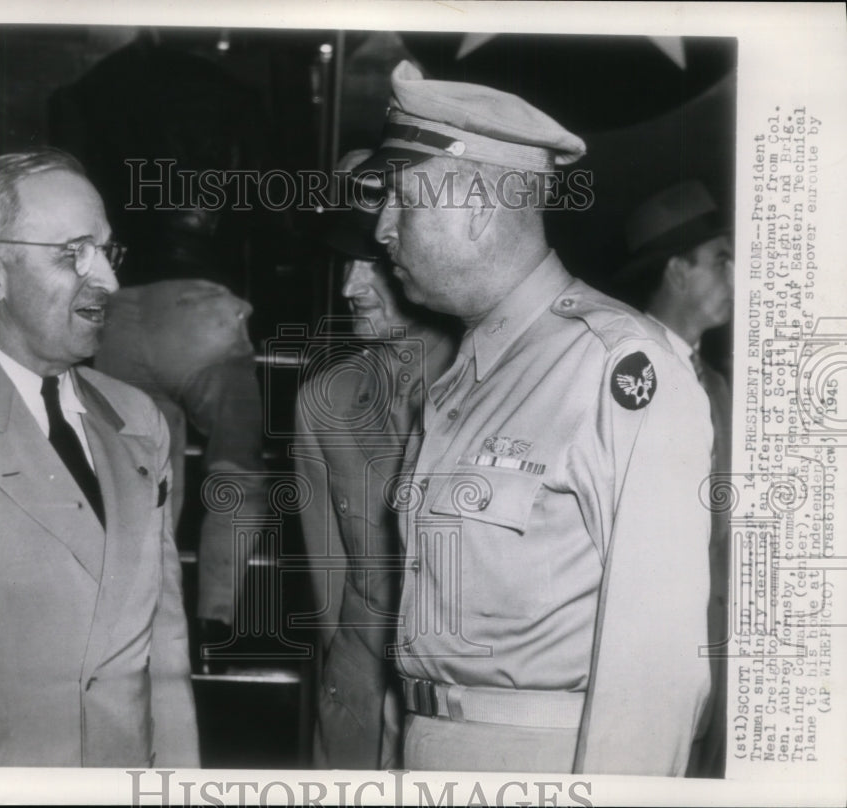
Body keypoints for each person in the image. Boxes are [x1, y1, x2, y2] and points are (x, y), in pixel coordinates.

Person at [356, 61, 714, 775]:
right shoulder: (473, 370)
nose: (383, 230)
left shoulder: (616, 367)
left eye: (402, 202)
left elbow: (655, 675)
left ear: (477, 207)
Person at [0, 150, 199, 767]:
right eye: (72, 252)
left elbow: (165, 651)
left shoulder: (138, 420)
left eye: (106, 250)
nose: (107, 279)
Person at [294, 150, 458, 768]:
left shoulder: (496, 392)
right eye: (344, 264)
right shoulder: (325, 402)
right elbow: (328, 592)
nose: (348, 288)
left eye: (374, 266)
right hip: (358, 707)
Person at [617, 180, 734, 777]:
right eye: (721, 260)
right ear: (678, 272)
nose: (736, 275)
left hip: (711, 662)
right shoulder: (620, 373)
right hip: (638, 669)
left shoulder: (717, 387)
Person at [94, 279, 269, 653]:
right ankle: (214, 616)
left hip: (119, 317)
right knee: (237, 468)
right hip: (204, 313)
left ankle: (134, 620)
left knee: (139, 477)